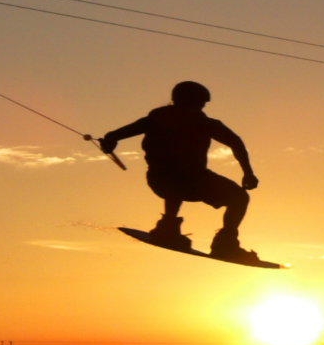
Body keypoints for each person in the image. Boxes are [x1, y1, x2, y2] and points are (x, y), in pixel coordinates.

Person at [100, 81, 260, 263]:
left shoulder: (156, 118)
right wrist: (248, 173)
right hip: (191, 181)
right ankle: (226, 244)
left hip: (160, 181)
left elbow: (114, 135)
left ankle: (167, 228)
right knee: (239, 198)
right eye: (200, 104)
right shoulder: (203, 123)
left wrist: (109, 141)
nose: (201, 108)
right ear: (189, 101)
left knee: (176, 179)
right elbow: (236, 142)